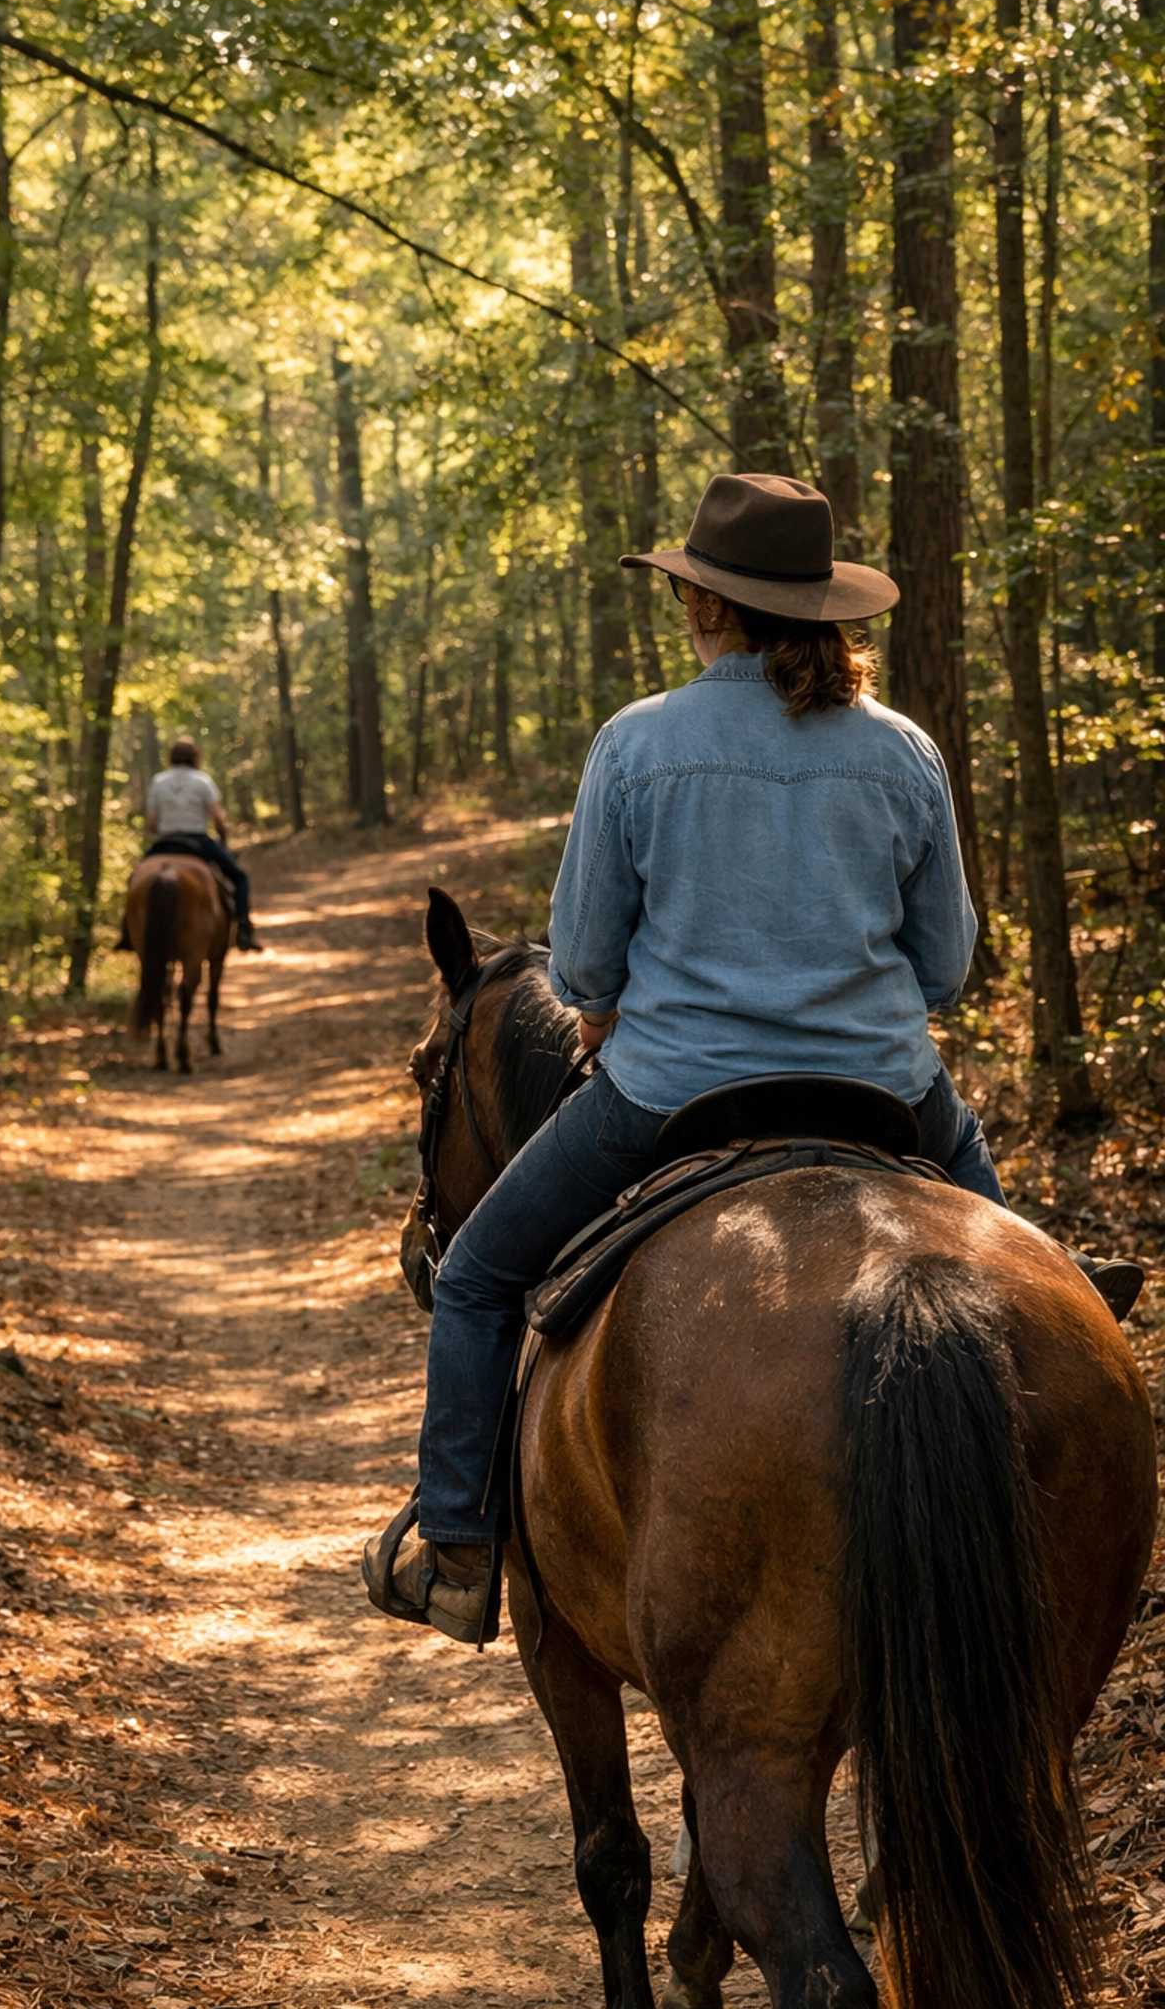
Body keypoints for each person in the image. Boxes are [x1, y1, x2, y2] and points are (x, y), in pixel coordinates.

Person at [363, 471, 1142, 1648]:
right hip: (886, 1090)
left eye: (692, 592)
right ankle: (1081, 1351)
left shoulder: (637, 744)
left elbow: (578, 964)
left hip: (667, 1094)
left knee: (473, 1274)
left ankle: (462, 1551)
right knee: (1049, 1285)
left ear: (713, 608)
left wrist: (608, 1004)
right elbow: (943, 971)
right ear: (823, 609)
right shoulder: (905, 751)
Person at [145, 738, 264, 952]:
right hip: (198, 841)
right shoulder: (203, 781)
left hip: (165, 841)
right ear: (195, 758)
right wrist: (223, 840)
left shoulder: (158, 782)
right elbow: (218, 819)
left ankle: (127, 929)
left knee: (136, 877)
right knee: (239, 878)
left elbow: (151, 822)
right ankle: (244, 929)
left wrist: (160, 833)